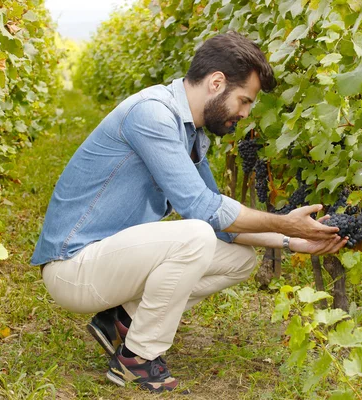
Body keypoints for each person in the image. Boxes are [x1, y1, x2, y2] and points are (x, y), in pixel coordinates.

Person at [31, 31, 346, 393]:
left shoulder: (191, 133)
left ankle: (123, 321)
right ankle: (137, 358)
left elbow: (223, 226)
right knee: (195, 234)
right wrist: (286, 223)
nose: (244, 113)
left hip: (107, 262)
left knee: (239, 259)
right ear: (216, 82)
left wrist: (293, 240)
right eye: (244, 101)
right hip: (72, 268)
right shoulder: (152, 114)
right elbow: (203, 210)